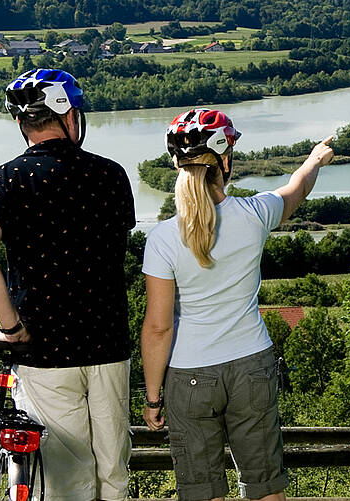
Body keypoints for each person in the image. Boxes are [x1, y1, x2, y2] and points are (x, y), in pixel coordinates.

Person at [138, 108, 335, 501]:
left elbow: (159, 327)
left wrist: (153, 397)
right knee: (266, 489)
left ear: (177, 165)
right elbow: (297, 190)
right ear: (225, 162)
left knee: (203, 491)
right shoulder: (255, 214)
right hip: (252, 366)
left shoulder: (161, 239)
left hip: (189, 375)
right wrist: (314, 160)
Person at [0, 68, 135, 501]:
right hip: (108, 345)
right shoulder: (112, 175)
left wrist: (11, 326)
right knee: (113, 471)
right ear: (69, 116)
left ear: (22, 123)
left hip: (44, 353)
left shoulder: (0, 180)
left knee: (61, 481)